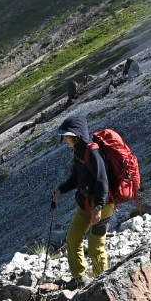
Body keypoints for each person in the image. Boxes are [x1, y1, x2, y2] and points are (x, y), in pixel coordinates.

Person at [51, 116, 114, 285]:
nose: (65, 139)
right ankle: (80, 278)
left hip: (103, 205)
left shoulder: (93, 152)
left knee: (95, 245)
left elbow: (103, 181)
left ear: (76, 136)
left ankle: (103, 282)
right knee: (73, 238)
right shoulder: (78, 152)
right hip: (86, 204)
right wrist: (60, 190)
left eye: (67, 136)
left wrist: (98, 207)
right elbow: (75, 179)